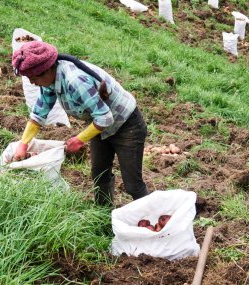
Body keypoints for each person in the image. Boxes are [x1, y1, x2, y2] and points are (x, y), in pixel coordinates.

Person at [11, 41, 149, 206]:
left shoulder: (74, 81)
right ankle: (104, 215)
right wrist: (23, 144)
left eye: (33, 78)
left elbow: (105, 118)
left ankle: (153, 221)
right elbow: (39, 112)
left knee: (133, 185)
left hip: (127, 125)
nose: (32, 82)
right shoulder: (50, 79)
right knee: (99, 175)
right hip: (99, 125)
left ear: (46, 70)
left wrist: (78, 140)